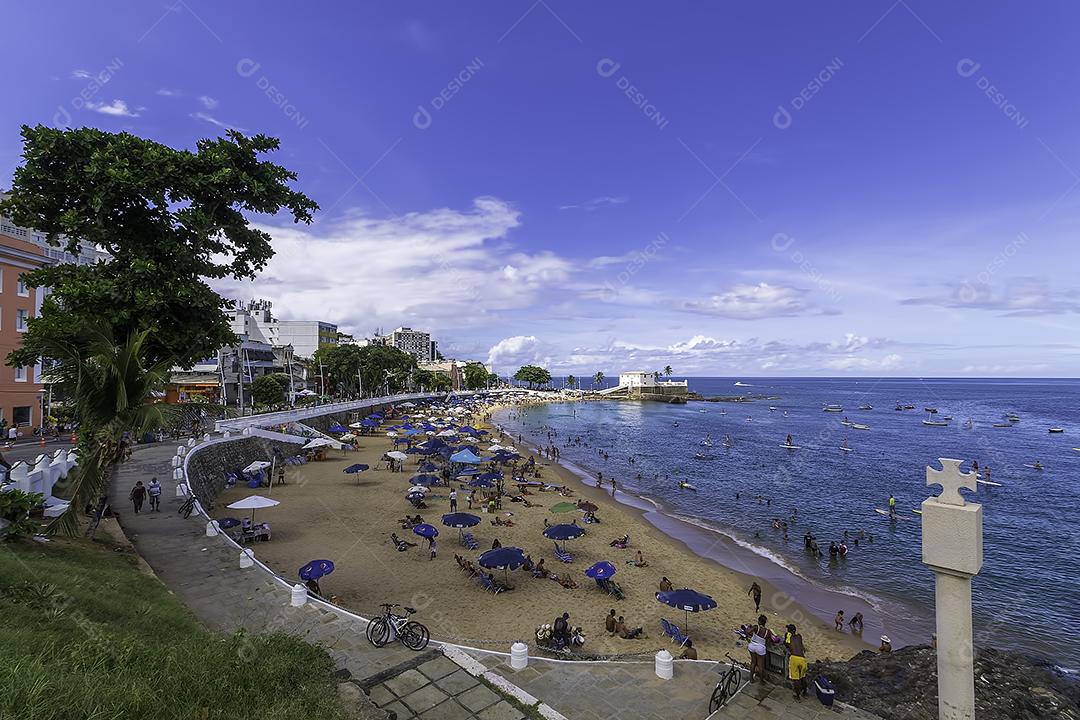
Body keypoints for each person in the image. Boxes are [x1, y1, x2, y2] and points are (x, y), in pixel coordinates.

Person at [784, 624, 808, 701]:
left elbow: (786, 644)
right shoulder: (799, 636)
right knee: (803, 677)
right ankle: (805, 692)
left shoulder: (789, 637)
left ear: (789, 631)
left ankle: (797, 696)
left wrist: (787, 636)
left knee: (796, 679)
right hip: (802, 658)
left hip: (794, 658)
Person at [747, 614, 769, 682]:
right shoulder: (768, 631)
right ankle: (761, 680)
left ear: (759, 621)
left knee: (753, 662)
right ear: (765, 623)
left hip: (752, 646)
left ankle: (751, 678)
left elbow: (748, 632)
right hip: (761, 648)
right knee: (760, 666)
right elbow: (768, 641)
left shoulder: (756, 627)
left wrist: (750, 630)